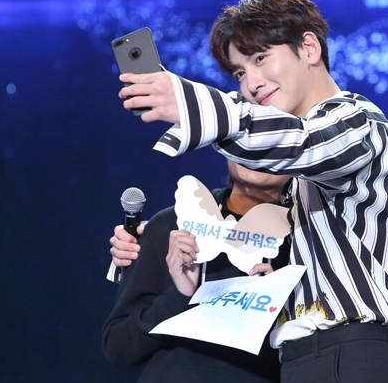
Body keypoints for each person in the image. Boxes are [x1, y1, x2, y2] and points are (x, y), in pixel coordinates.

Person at [118, 0, 388, 382]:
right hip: (304, 361)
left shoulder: (356, 121)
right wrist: (141, 243)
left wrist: (192, 104)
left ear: (309, 48)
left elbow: (298, 143)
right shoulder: (300, 185)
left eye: (260, 58)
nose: (251, 83)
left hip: (353, 353)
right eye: (240, 72)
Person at [103, 161, 291, 382]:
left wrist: (282, 311)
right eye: (248, 143)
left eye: (275, 145)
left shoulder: (306, 241)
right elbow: (119, 348)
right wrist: (178, 296)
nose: (258, 153)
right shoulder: (174, 226)